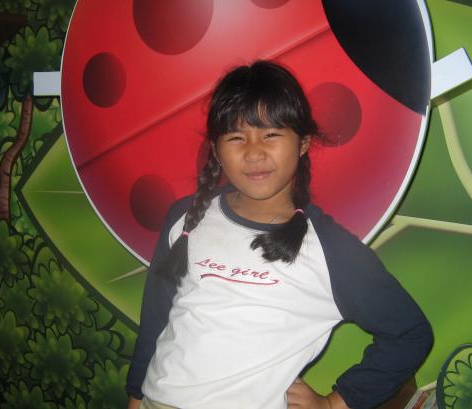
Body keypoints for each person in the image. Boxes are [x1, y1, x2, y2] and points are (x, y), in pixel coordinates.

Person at [125, 60, 433, 409]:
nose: (254, 152)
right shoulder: (185, 218)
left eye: (271, 134)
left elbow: (409, 334)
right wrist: (136, 398)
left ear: (303, 143)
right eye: (236, 137)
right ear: (216, 149)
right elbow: (155, 320)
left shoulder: (331, 251)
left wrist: (335, 403)